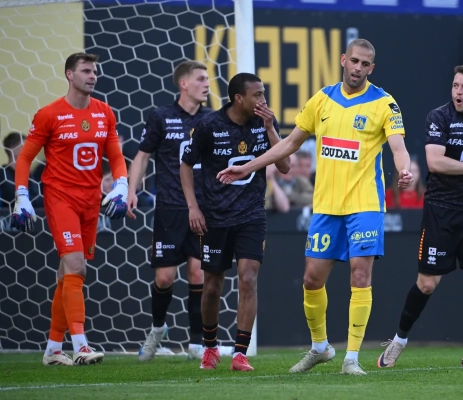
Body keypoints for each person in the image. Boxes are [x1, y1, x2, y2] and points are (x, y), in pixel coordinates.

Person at [217, 38, 413, 375]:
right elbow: (290, 144)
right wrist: (248, 166)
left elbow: (398, 147)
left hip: (365, 203)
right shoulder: (322, 99)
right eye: (354, 61)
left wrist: (404, 169)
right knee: (311, 279)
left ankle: (351, 358)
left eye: (365, 64)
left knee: (360, 275)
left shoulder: (384, 103)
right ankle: (320, 348)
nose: (358, 68)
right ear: (343, 59)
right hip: (326, 205)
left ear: (372, 68)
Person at [378, 64, 463, 369]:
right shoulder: (440, 117)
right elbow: (435, 162)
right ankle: (398, 341)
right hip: (441, 211)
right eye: (455, 85)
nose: (458, 92)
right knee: (427, 284)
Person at [10, 52, 129, 366]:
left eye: (95, 71)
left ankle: (52, 349)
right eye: (86, 71)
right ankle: (81, 345)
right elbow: (25, 158)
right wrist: (21, 195)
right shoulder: (49, 114)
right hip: (60, 197)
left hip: (91, 200)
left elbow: (116, 155)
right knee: (77, 267)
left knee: (68, 274)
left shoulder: (104, 112)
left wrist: (122, 184)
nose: (92, 76)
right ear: (69, 75)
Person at [180, 72, 290, 371]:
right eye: (257, 95)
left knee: (248, 278)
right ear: (239, 98)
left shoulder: (264, 123)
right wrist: (193, 208)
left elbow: (284, 165)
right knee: (212, 286)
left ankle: (240, 354)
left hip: (252, 215)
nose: (263, 100)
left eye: (263, 93)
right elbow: (186, 166)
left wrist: (270, 128)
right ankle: (210, 347)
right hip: (215, 217)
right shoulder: (209, 125)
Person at [127, 60, 212, 362]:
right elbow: (142, 156)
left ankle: (197, 343)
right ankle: (157, 329)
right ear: (183, 84)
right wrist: (132, 190)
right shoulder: (161, 116)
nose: (207, 84)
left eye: (208, 79)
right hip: (169, 209)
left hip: (202, 209)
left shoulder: (211, 119)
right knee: (164, 278)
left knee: (197, 273)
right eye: (200, 79)